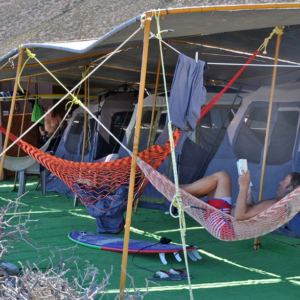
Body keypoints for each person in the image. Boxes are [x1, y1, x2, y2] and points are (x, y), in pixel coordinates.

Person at [181, 171, 300, 220]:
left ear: (289, 188)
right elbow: (251, 211)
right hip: (225, 214)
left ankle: (176, 188)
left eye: (285, 181)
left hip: (223, 218)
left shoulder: (275, 204)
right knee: (213, 185)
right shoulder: (277, 205)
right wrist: (248, 193)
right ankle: (179, 191)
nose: (280, 182)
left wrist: (243, 187)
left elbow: (240, 216)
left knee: (222, 176)